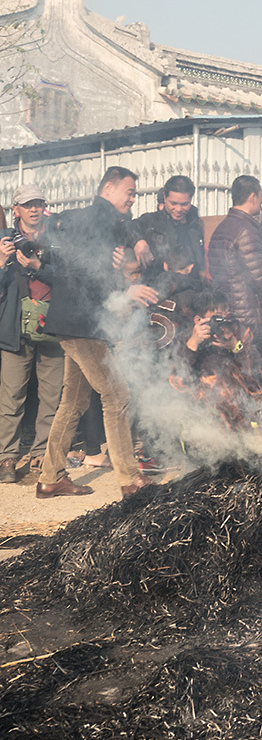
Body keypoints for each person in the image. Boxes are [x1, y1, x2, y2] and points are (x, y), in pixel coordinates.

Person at [35, 166, 159, 498]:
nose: (133, 199)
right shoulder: (99, 221)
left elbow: (90, 266)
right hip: (81, 323)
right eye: (129, 192)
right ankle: (130, 479)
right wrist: (126, 291)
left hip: (78, 321)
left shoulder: (93, 219)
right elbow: (84, 273)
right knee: (117, 395)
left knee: (73, 400)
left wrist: (120, 264)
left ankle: (50, 478)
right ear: (108, 189)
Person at [0, 185, 64, 483]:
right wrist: (2, 262)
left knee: (51, 396)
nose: (34, 209)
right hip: (16, 330)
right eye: (28, 205)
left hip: (52, 327)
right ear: (16, 210)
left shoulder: (58, 241)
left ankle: (42, 455)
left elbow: (69, 278)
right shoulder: (4, 242)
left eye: (38, 203)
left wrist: (41, 266)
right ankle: (7, 458)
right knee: (11, 397)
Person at [207, 175, 262, 369]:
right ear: (253, 196)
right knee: (252, 366)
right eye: (261, 197)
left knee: (236, 366)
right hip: (248, 313)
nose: (261, 202)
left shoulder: (222, 228)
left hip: (228, 309)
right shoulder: (246, 229)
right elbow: (258, 273)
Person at [131, 174, 205, 312]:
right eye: (173, 203)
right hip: (158, 298)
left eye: (184, 204)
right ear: (164, 197)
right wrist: (138, 241)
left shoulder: (195, 225)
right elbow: (127, 227)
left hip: (189, 298)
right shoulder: (150, 221)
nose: (178, 209)